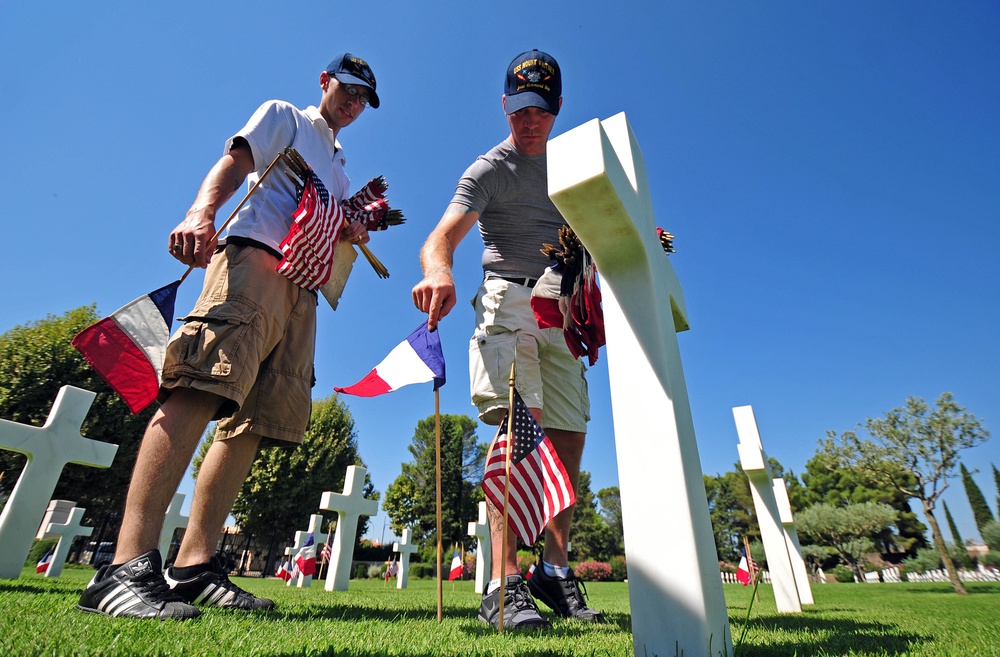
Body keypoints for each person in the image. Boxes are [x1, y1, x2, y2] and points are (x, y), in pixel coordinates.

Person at [78, 53, 381, 620]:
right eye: (348, 89)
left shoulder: (339, 169)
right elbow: (235, 163)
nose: (354, 102)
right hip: (252, 262)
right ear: (325, 82)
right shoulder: (285, 115)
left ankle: (194, 567)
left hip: (302, 288)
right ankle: (123, 566)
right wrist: (201, 212)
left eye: (364, 98)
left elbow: (324, 222)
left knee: (254, 422)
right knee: (200, 384)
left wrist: (350, 226)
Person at [411, 49, 603, 630]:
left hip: (561, 308)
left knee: (568, 436)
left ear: (558, 108)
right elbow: (440, 237)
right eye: (519, 110)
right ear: (503, 106)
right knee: (519, 428)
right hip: (506, 301)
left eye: (540, 110)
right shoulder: (488, 170)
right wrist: (439, 270)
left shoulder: (576, 167)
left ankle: (555, 569)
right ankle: (503, 580)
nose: (529, 121)